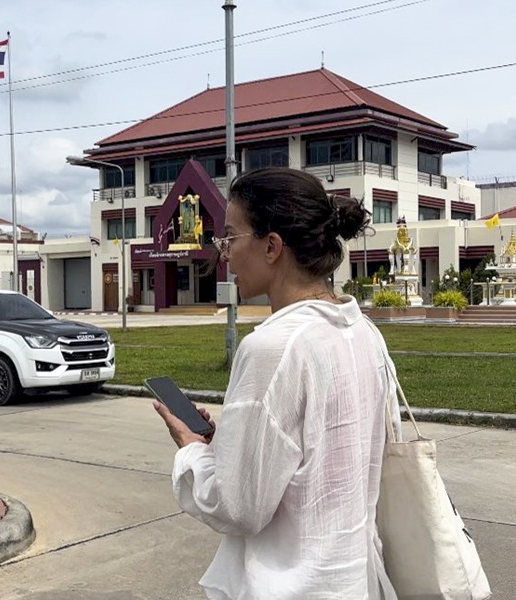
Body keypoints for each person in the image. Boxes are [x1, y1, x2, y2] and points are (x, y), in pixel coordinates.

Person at [153, 167, 401, 600]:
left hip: (295, 587)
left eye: (230, 237)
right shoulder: (364, 333)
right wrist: (227, 446)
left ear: (272, 246)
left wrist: (192, 449)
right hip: (355, 580)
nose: (224, 253)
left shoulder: (273, 347)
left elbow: (239, 504)